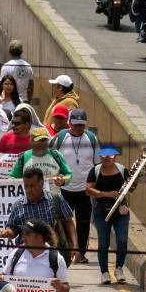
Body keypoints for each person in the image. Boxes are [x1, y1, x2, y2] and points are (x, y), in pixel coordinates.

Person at [51, 109, 100, 264]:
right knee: (64, 221)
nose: (78, 128)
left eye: (81, 125)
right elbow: (49, 158)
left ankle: (81, 253)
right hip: (65, 189)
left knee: (84, 222)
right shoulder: (60, 137)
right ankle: (65, 251)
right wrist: (56, 176)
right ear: (69, 122)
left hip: (84, 190)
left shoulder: (91, 138)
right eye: (76, 124)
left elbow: (97, 163)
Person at [85, 146, 130, 284]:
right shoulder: (96, 171)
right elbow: (88, 190)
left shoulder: (123, 170)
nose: (107, 159)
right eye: (104, 156)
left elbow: (131, 187)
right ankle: (104, 272)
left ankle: (119, 268)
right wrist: (106, 194)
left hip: (120, 211)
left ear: (115, 156)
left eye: (110, 156)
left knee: (122, 240)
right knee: (103, 243)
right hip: (101, 211)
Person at [0, 165, 74, 246]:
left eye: (32, 186)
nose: (28, 190)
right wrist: (8, 233)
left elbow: (69, 222)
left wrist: (75, 246)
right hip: (27, 254)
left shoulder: (56, 199)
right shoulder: (18, 206)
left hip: (53, 252)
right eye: (26, 186)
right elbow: (13, 230)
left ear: (42, 184)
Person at [0, 40, 34, 105]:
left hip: (10, 101)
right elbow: (31, 85)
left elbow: (1, 85)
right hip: (24, 101)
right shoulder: (28, 66)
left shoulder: (6, 66)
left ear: (9, 52)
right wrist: (29, 101)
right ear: (21, 52)